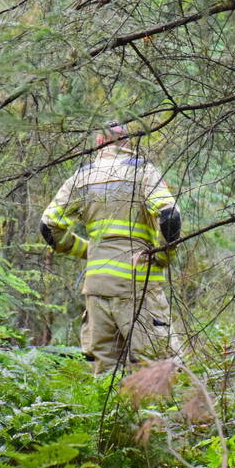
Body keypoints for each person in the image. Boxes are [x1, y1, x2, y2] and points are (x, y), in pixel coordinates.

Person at [40, 122, 181, 373]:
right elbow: (170, 217)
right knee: (154, 368)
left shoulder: (82, 177)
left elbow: (48, 227)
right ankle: (153, 413)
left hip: (97, 287)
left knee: (105, 374)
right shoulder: (144, 173)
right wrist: (162, 256)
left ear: (98, 142)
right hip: (138, 284)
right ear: (128, 142)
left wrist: (88, 251)